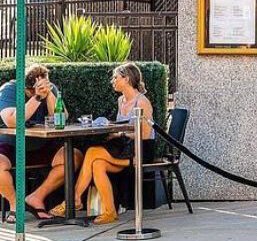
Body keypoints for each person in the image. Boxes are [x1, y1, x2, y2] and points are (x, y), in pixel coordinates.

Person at [49, 63, 155, 226]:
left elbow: (145, 135)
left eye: (115, 77)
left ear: (126, 79)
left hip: (140, 150)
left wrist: (118, 133)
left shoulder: (142, 102)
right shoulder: (121, 100)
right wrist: (113, 131)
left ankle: (75, 199)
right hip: (124, 147)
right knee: (97, 164)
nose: (112, 81)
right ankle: (109, 212)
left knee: (92, 152)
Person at [0, 65, 79, 222]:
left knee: (73, 156)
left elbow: (61, 117)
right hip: (12, 144)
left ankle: (36, 197)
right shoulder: (9, 89)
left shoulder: (50, 89)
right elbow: (11, 121)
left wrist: (48, 94)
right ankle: (15, 205)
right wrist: (36, 98)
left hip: (42, 144)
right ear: (25, 88)